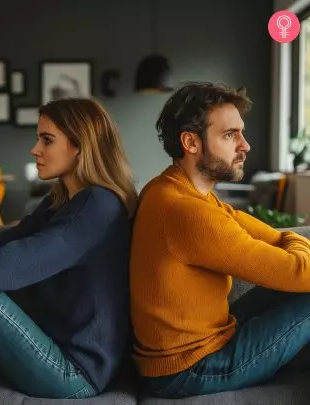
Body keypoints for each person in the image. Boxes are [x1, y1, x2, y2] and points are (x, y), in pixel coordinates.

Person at [130, 82, 310, 399]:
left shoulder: (173, 189)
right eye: (230, 135)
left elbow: (280, 237)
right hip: (188, 369)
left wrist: (292, 243)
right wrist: (294, 245)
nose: (245, 145)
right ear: (191, 142)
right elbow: (299, 271)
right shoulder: (187, 212)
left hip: (193, 349)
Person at [0, 98, 137, 399]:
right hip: (49, 344)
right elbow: (4, 243)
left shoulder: (97, 207)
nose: (34, 149)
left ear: (79, 146)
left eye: (46, 140)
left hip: (76, 371)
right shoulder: (59, 202)